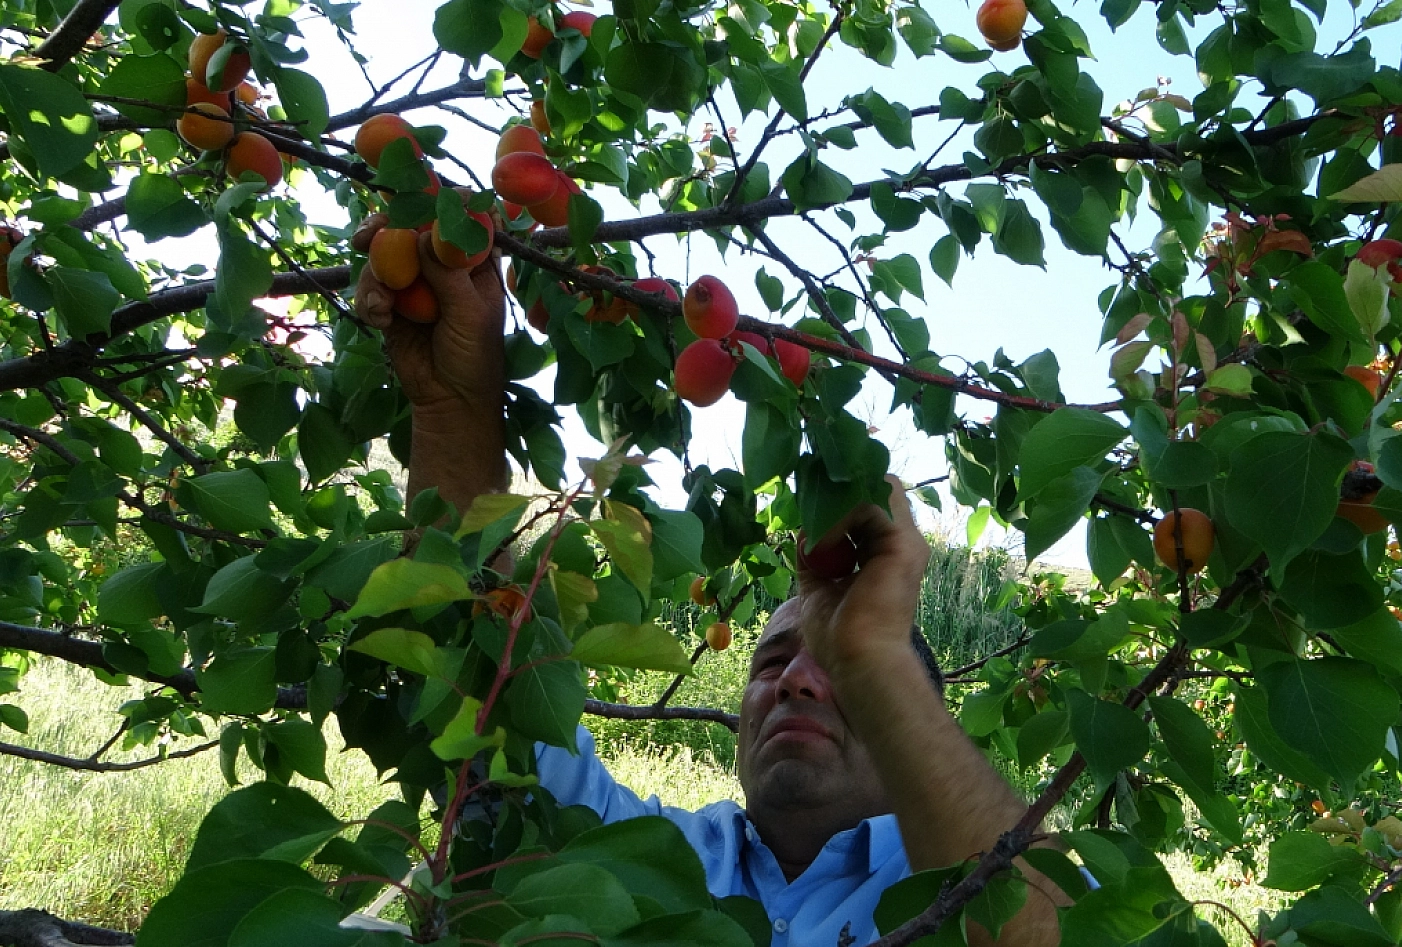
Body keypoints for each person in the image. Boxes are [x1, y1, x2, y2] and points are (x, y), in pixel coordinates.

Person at [351, 219, 1066, 946]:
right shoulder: (647, 861)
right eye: (770, 663)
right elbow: (488, 698)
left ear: (910, 720)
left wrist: (874, 655)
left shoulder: (959, 884)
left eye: (842, 672)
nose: (796, 682)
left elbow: (1054, 934)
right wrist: (454, 405)